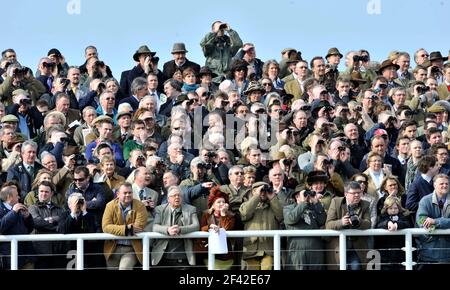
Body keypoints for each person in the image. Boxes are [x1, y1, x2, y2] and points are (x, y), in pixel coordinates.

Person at [325, 181, 371, 270]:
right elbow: (328, 224)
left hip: (357, 247)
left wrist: (358, 221)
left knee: (355, 267)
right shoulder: (336, 202)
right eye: (354, 193)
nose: (357, 195)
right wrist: (342, 222)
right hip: (338, 246)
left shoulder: (365, 204)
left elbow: (368, 223)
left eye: (359, 192)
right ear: (346, 194)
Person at [102, 182, 148, 270]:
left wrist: (115, 228)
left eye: (130, 193)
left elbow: (139, 227)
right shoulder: (110, 206)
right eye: (125, 193)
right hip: (113, 248)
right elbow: (106, 227)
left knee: (124, 268)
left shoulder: (140, 205)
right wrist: (126, 229)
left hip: (132, 248)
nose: (128, 195)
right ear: (118, 194)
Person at [151, 186, 199, 269]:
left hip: (183, 257)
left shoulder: (191, 209)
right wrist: (167, 229)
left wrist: (180, 229)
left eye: (179, 195)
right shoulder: (160, 209)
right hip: (162, 256)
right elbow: (155, 226)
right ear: (168, 199)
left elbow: (196, 226)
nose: (177, 197)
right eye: (174, 196)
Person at [239, 182, 283, 270]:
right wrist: (256, 196)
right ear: (253, 191)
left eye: (264, 191)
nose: (263, 193)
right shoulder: (246, 205)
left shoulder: (274, 205)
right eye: (260, 190)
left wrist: (272, 198)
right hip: (251, 249)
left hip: (269, 249)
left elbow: (281, 216)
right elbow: (244, 214)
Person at [283, 185, 327, 270]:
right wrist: (303, 203)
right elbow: (291, 219)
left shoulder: (314, 207)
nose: (307, 196)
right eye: (304, 194)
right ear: (297, 196)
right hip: (297, 250)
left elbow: (322, 221)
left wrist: (316, 203)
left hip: (315, 249)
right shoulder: (288, 208)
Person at [195, 186, 235, 269]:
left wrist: (223, 214)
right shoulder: (206, 215)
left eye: (223, 202)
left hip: (225, 254)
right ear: (213, 205)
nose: (221, 204)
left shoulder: (231, 216)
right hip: (209, 252)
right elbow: (201, 229)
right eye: (218, 202)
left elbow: (226, 229)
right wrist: (210, 227)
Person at [28, 181, 65, 269]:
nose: (43, 194)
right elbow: (37, 223)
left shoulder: (59, 208)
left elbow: (64, 222)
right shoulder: (32, 208)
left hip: (58, 250)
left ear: (51, 193)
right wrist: (56, 226)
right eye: (41, 191)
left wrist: (53, 219)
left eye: (46, 192)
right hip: (40, 251)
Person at [416, 174, 450, 270]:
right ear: (434, 185)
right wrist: (438, 228)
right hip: (429, 253)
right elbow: (421, 220)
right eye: (441, 183)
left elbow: (431, 222)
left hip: (448, 253)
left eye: (447, 183)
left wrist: (436, 222)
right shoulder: (425, 201)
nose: (445, 186)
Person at [0, 185, 35, 269]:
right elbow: (1, 227)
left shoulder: (17, 207)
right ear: (9, 197)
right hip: (8, 258)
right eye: (16, 195)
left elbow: (29, 229)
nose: (19, 197)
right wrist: (13, 212)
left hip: (25, 255)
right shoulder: (6, 209)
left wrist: (28, 217)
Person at [60, 192, 97, 269]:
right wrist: (73, 213)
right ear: (69, 205)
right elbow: (63, 230)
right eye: (76, 202)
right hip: (69, 251)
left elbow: (92, 232)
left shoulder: (88, 216)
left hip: (85, 251)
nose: (78, 204)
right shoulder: (64, 215)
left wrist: (84, 212)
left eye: (80, 202)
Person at [375, 196, 411, 270]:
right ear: (386, 209)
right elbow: (378, 225)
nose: (393, 210)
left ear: (399, 208)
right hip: (386, 252)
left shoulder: (403, 217)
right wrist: (387, 223)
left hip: (400, 252)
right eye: (390, 208)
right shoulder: (382, 217)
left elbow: (407, 224)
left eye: (395, 208)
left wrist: (397, 225)